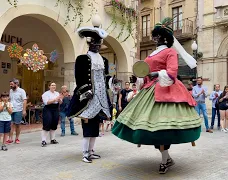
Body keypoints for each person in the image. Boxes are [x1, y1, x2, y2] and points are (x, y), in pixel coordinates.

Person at [112, 17, 201, 174]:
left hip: (167, 90)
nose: (154, 38)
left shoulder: (170, 52)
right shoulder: (151, 55)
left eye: (157, 35)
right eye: (154, 35)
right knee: (153, 129)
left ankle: (164, 161)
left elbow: (172, 72)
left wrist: (155, 73)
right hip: (149, 91)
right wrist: (139, 77)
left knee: (163, 128)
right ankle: (166, 158)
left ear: (165, 38)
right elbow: (144, 74)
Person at [67, 19, 113, 163]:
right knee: (87, 127)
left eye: (99, 44)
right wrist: (86, 92)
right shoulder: (82, 59)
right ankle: (85, 153)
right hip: (89, 97)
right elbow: (79, 78)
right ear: (90, 43)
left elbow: (106, 77)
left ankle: (91, 151)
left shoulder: (104, 60)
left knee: (95, 127)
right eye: (95, 44)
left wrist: (113, 82)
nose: (98, 46)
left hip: (101, 97)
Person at [41, 82, 63, 147]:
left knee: (54, 123)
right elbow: (46, 102)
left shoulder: (57, 93)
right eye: (52, 85)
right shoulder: (45, 94)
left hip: (55, 109)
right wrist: (55, 99)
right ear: (49, 86)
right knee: (47, 123)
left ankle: (52, 139)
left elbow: (60, 102)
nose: (54, 86)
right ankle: (43, 140)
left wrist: (60, 100)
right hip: (48, 109)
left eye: (55, 85)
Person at [8, 79, 27, 144]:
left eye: (12, 84)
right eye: (10, 84)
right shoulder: (10, 91)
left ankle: (17, 138)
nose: (10, 86)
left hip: (18, 110)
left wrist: (24, 110)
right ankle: (10, 138)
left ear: (16, 84)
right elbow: (10, 99)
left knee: (17, 124)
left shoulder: (21, 91)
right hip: (11, 109)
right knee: (10, 124)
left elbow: (24, 100)